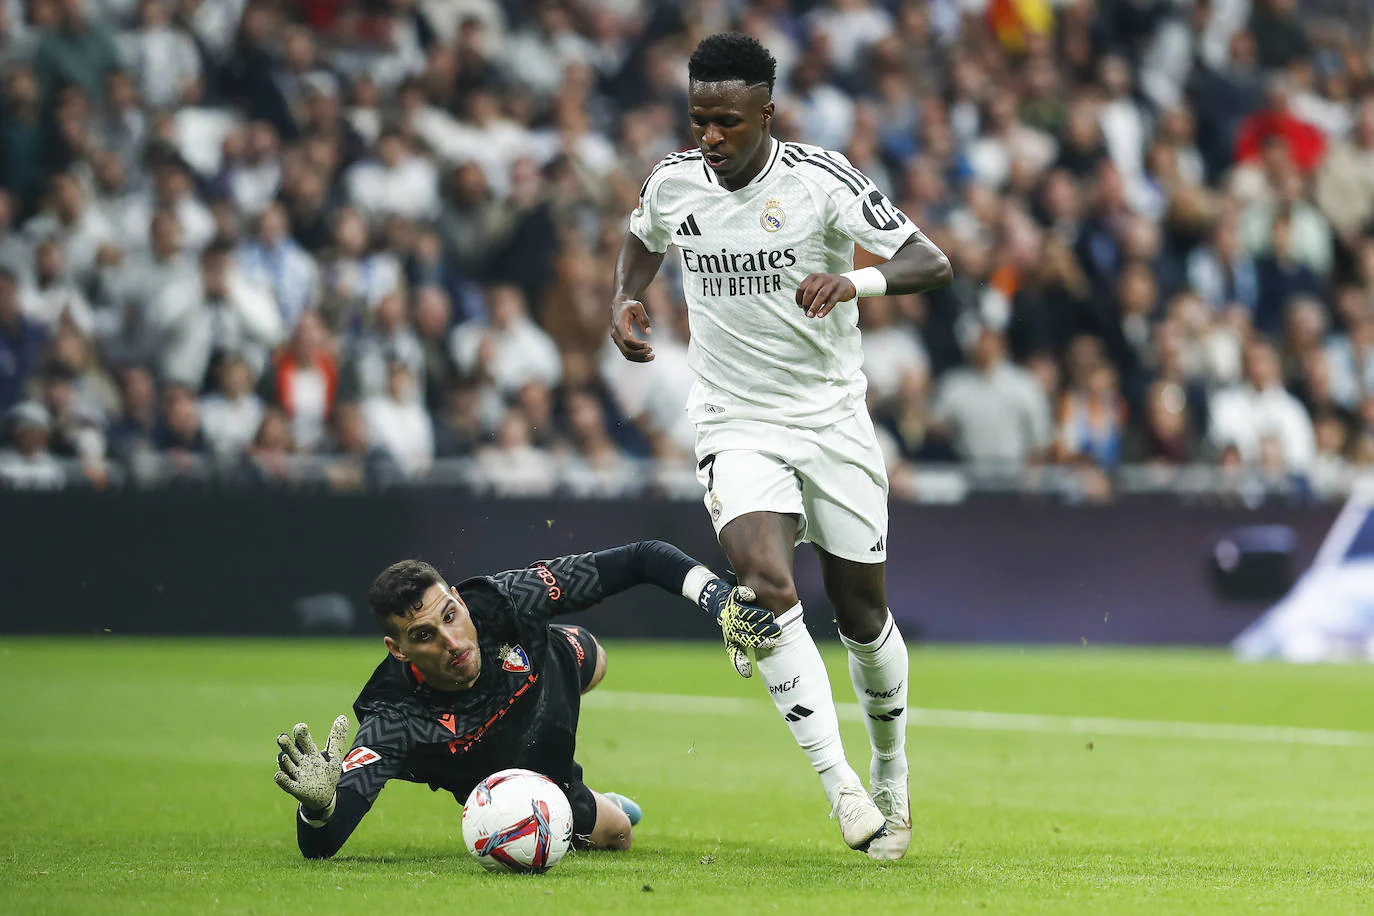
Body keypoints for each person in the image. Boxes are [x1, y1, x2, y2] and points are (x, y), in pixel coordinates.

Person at [609, 33, 953, 859]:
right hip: (734, 418)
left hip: (832, 417)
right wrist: (624, 297)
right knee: (764, 586)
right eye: (699, 119)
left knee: (864, 617)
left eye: (727, 120)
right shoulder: (673, 181)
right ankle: (844, 795)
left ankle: (890, 774)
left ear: (768, 113)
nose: (710, 137)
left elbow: (929, 261)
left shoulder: (819, 180)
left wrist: (854, 280)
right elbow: (643, 234)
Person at [272, 540, 779, 859]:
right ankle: (601, 803)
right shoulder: (394, 718)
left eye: (451, 615)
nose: (452, 642)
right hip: (525, 773)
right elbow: (322, 844)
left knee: (596, 658)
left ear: (460, 600)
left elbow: (644, 558)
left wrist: (716, 597)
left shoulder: (509, 598)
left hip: (552, 671)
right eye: (424, 635)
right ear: (398, 649)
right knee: (618, 833)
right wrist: (318, 809)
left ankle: (574, 659)